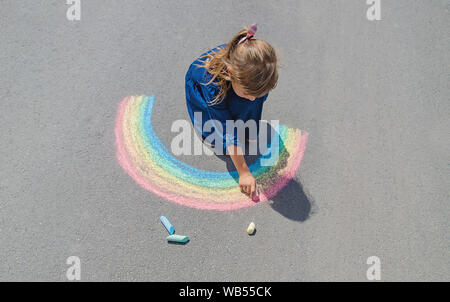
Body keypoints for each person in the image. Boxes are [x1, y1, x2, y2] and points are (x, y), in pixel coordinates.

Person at [185, 24, 279, 199]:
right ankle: (214, 130)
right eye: (248, 93)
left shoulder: (255, 74)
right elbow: (227, 130)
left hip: (236, 84)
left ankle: (246, 119)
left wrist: (253, 97)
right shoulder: (211, 85)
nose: (253, 98)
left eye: (260, 93)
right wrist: (243, 172)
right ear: (230, 73)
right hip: (207, 92)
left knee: (250, 104)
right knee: (220, 135)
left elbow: (252, 96)